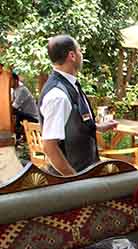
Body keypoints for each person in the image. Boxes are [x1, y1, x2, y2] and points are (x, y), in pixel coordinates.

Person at [38, 35, 117, 176]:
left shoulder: (70, 85)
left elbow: (71, 123)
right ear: (72, 55)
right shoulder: (58, 96)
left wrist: (97, 127)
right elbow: (49, 146)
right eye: (80, 51)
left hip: (85, 175)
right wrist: (74, 180)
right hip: (72, 183)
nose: (82, 55)